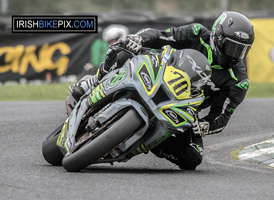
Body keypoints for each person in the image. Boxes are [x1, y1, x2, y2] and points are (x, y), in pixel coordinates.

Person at [68, 11, 255, 170]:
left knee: (192, 158)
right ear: (217, 36)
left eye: (241, 51)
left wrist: (206, 126)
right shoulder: (197, 33)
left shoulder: (239, 81)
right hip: (157, 74)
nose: (234, 55)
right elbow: (162, 35)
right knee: (126, 51)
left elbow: (221, 116)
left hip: (182, 107)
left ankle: (153, 141)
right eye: (231, 47)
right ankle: (94, 82)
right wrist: (139, 39)